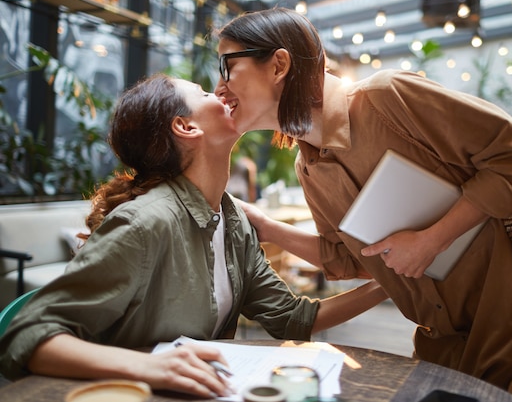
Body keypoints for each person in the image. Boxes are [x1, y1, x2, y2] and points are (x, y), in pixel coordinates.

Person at [213, 7, 512, 389]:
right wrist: (269, 228)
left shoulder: (387, 97)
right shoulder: (308, 166)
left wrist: (431, 240)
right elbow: (353, 259)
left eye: (226, 67)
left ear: (278, 65)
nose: (219, 88)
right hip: (438, 342)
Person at [0, 73, 388, 398]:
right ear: (186, 127)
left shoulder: (232, 218)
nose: (220, 91)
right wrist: (150, 366)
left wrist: (394, 284)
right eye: (205, 93)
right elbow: (27, 334)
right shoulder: (146, 222)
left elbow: (291, 318)